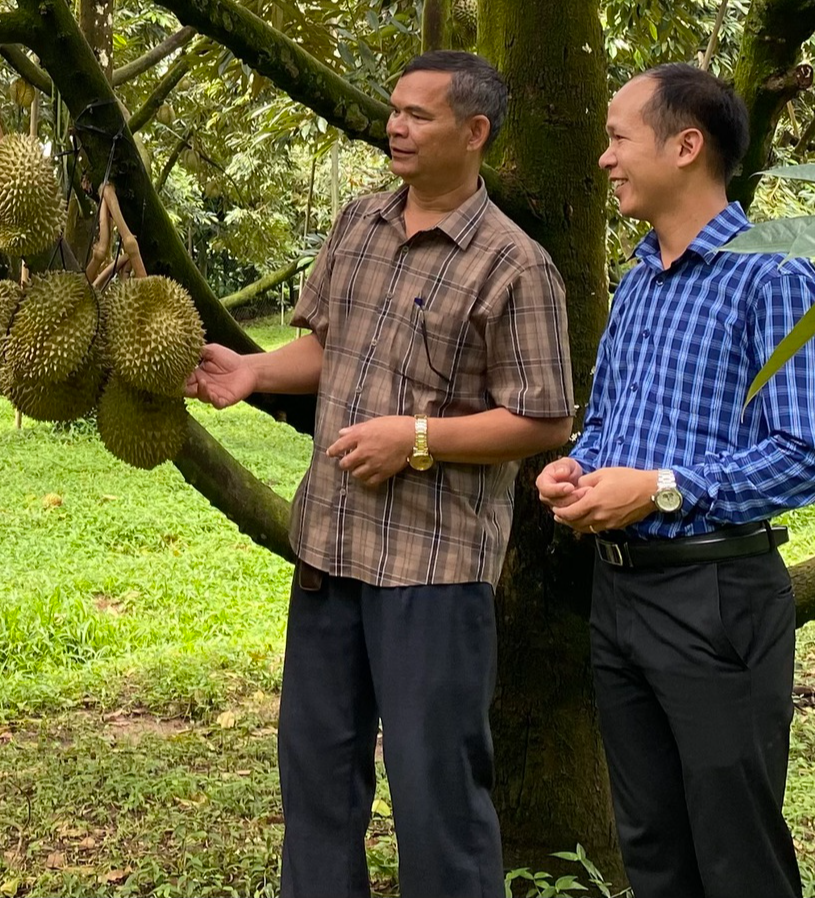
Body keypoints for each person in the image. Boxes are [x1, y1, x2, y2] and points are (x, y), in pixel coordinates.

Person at [187, 51, 575, 898]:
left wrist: (420, 438)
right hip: (330, 551)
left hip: (431, 571)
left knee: (438, 794)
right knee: (317, 786)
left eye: (418, 115)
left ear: (473, 133)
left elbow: (545, 416)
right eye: (393, 109)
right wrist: (253, 371)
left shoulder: (515, 265)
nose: (396, 126)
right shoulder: (360, 224)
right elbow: (331, 347)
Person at [536, 62, 815, 898]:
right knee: (653, 847)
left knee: (734, 848)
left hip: (715, 597)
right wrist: (582, 468)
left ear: (686, 145)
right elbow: (611, 421)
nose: (604, 158)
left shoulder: (774, 277)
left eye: (617, 137)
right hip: (622, 597)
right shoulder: (640, 281)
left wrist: (660, 488)